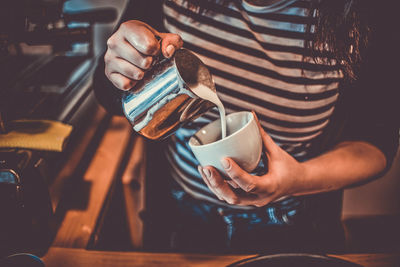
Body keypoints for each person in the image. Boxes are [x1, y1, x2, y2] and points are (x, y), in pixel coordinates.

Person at [93, 0, 399, 253]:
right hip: (181, 220)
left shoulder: (365, 13)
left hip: (295, 227)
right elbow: (112, 99)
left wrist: (299, 179)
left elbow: (375, 141)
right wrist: (123, 64)